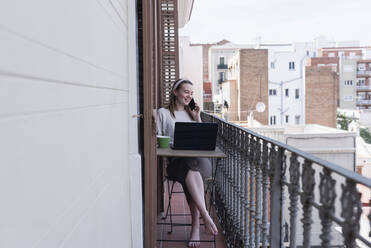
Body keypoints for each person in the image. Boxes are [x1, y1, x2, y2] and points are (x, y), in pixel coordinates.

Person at [157, 79, 218, 247]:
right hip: (176, 162)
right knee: (190, 168)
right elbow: (158, 140)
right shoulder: (163, 113)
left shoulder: (192, 114)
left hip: (198, 160)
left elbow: (202, 139)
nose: (189, 96)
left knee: (192, 165)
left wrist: (197, 117)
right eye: (186, 92)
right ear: (175, 92)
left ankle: (201, 221)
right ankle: (201, 221)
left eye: (191, 94)